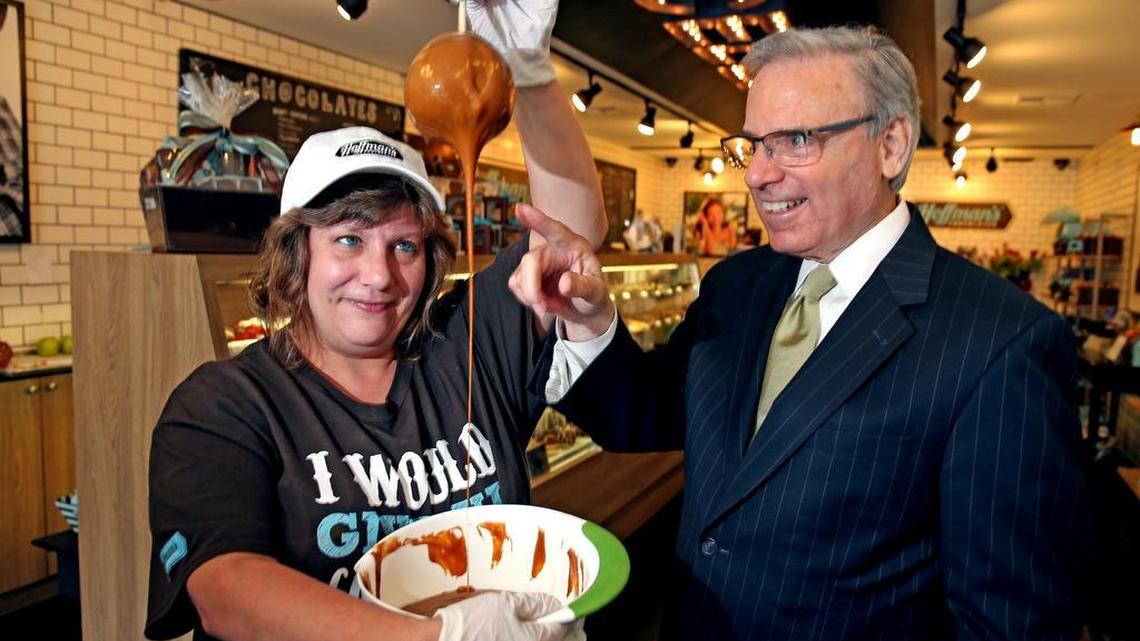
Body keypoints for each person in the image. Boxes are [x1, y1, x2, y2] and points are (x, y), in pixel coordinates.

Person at [511, 26, 1091, 641]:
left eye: (794, 141)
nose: (758, 175)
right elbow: (653, 415)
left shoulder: (1000, 343)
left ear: (890, 145)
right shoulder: (738, 284)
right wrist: (589, 317)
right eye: (754, 145)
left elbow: (1009, 624)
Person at [144, 2, 604, 641]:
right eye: (349, 240)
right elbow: (226, 589)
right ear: (296, 251)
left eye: (405, 246)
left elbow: (572, 233)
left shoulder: (467, 344)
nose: (381, 275)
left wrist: (527, 74)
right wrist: (441, 638)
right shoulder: (223, 407)